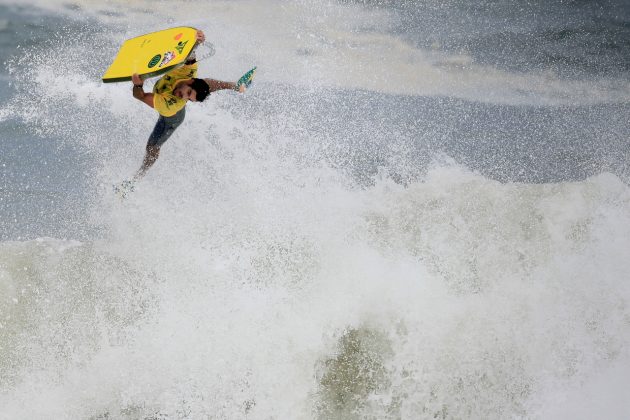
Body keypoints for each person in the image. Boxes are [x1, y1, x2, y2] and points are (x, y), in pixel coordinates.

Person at [127, 29, 255, 182]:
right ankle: (235, 86)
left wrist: (138, 85)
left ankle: (136, 178)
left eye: (189, 98)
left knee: (152, 147)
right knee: (205, 84)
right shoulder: (188, 73)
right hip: (189, 82)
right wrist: (196, 42)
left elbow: (139, 96)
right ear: (189, 81)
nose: (183, 97)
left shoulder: (170, 104)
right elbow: (189, 53)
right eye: (187, 92)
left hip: (172, 119)